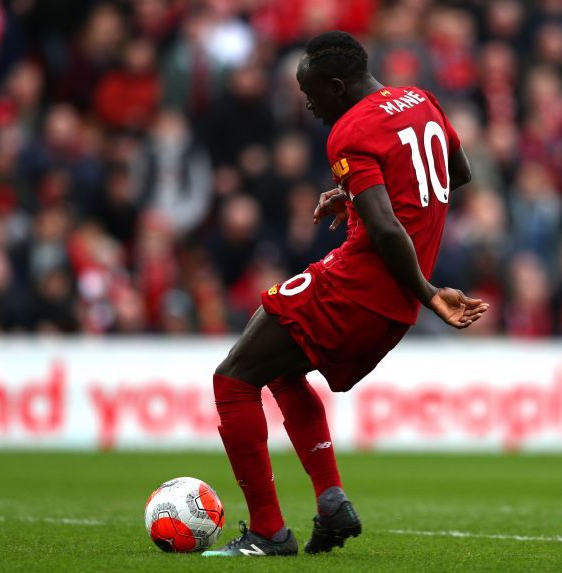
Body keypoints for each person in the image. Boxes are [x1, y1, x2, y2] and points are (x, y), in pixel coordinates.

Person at [202, 31, 489, 558]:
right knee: (282, 372)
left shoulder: (348, 130)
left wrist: (429, 293)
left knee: (233, 379)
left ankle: (268, 533)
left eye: (311, 94)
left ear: (337, 86)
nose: (309, 107)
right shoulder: (422, 100)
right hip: (390, 305)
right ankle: (331, 502)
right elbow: (459, 172)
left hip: (361, 286)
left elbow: (384, 228)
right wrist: (358, 195)